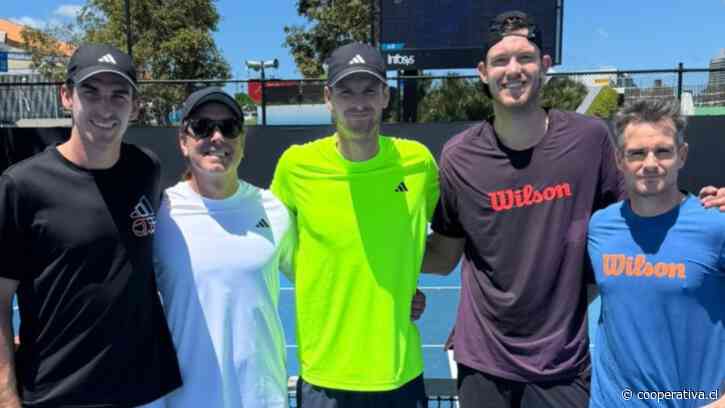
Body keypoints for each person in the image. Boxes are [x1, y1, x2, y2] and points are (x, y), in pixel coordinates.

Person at [421, 11, 725, 408]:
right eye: (500, 60)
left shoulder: (589, 140)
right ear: (482, 72)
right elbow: (444, 253)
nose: (513, 70)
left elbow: (640, 217)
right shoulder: (460, 156)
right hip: (483, 365)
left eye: (525, 58)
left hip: (562, 367)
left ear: (545, 65)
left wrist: (705, 208)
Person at [0, 44, 181, 407]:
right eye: (90, 91)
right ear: (66, 96)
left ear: (135, 104)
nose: (105, 108)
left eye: (118, 95)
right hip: (58, 394)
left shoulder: (146, 169)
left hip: (144, 393)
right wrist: (6, 395)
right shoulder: (22, 185)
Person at [270, 42, 436, 408]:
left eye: (369, 90)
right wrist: (327, 285)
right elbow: (276, 247)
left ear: (385, 96)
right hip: (325, 376)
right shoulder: (296, 166)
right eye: (346, 91)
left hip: (399, 373)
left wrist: (403, 281)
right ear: (329, 98)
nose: (358, 102)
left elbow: (442, 235)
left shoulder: (418, 163)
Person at [153, 87, 294, 407]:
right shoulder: (161, 214)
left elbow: (321, 276)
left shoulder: (275, 211)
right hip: (184, 400)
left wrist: (398, 296)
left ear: (242, 141)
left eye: (228, 127)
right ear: (183, 140)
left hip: (262, 399)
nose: (216, 137)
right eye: (202, 127)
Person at [587, 99, 725, 408]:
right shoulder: (600, 226)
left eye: (663, 150)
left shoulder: (716, 226)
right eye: (637, 153)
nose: (650, 163)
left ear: (682, 156)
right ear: (620, 160)